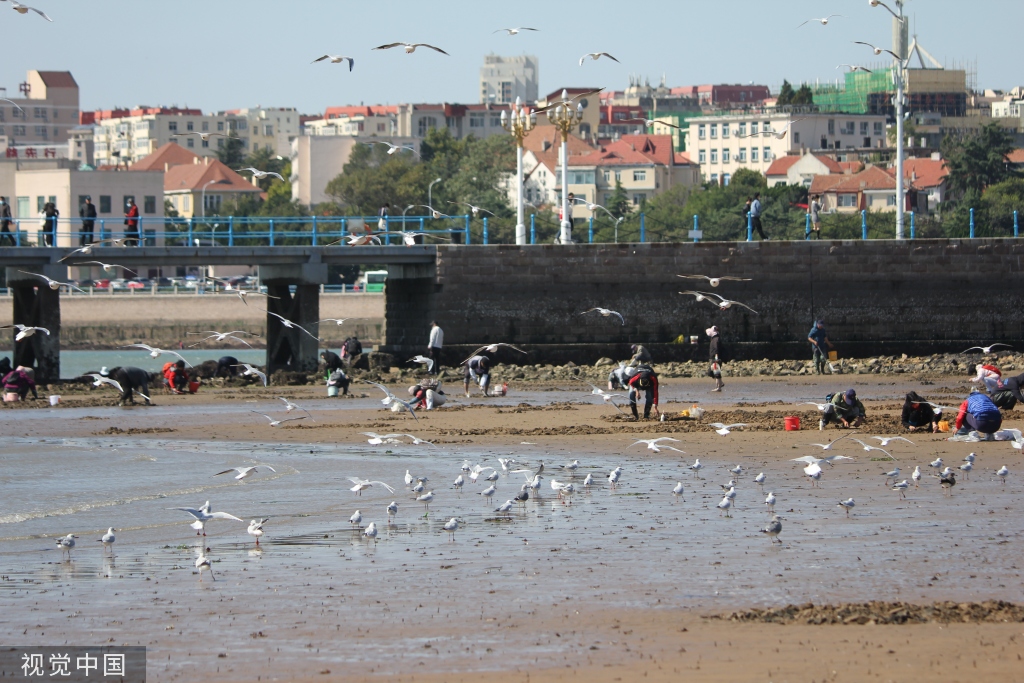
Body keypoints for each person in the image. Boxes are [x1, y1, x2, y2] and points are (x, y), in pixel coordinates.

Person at [707, 325, 725, 392]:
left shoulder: (715, 339)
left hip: (716, 358)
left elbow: (716, 349)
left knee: (716, 373)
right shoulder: (716, 338)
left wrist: (716, 357)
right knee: (710, 372)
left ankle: (718, 387)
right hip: (714, 358)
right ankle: (721, 383)